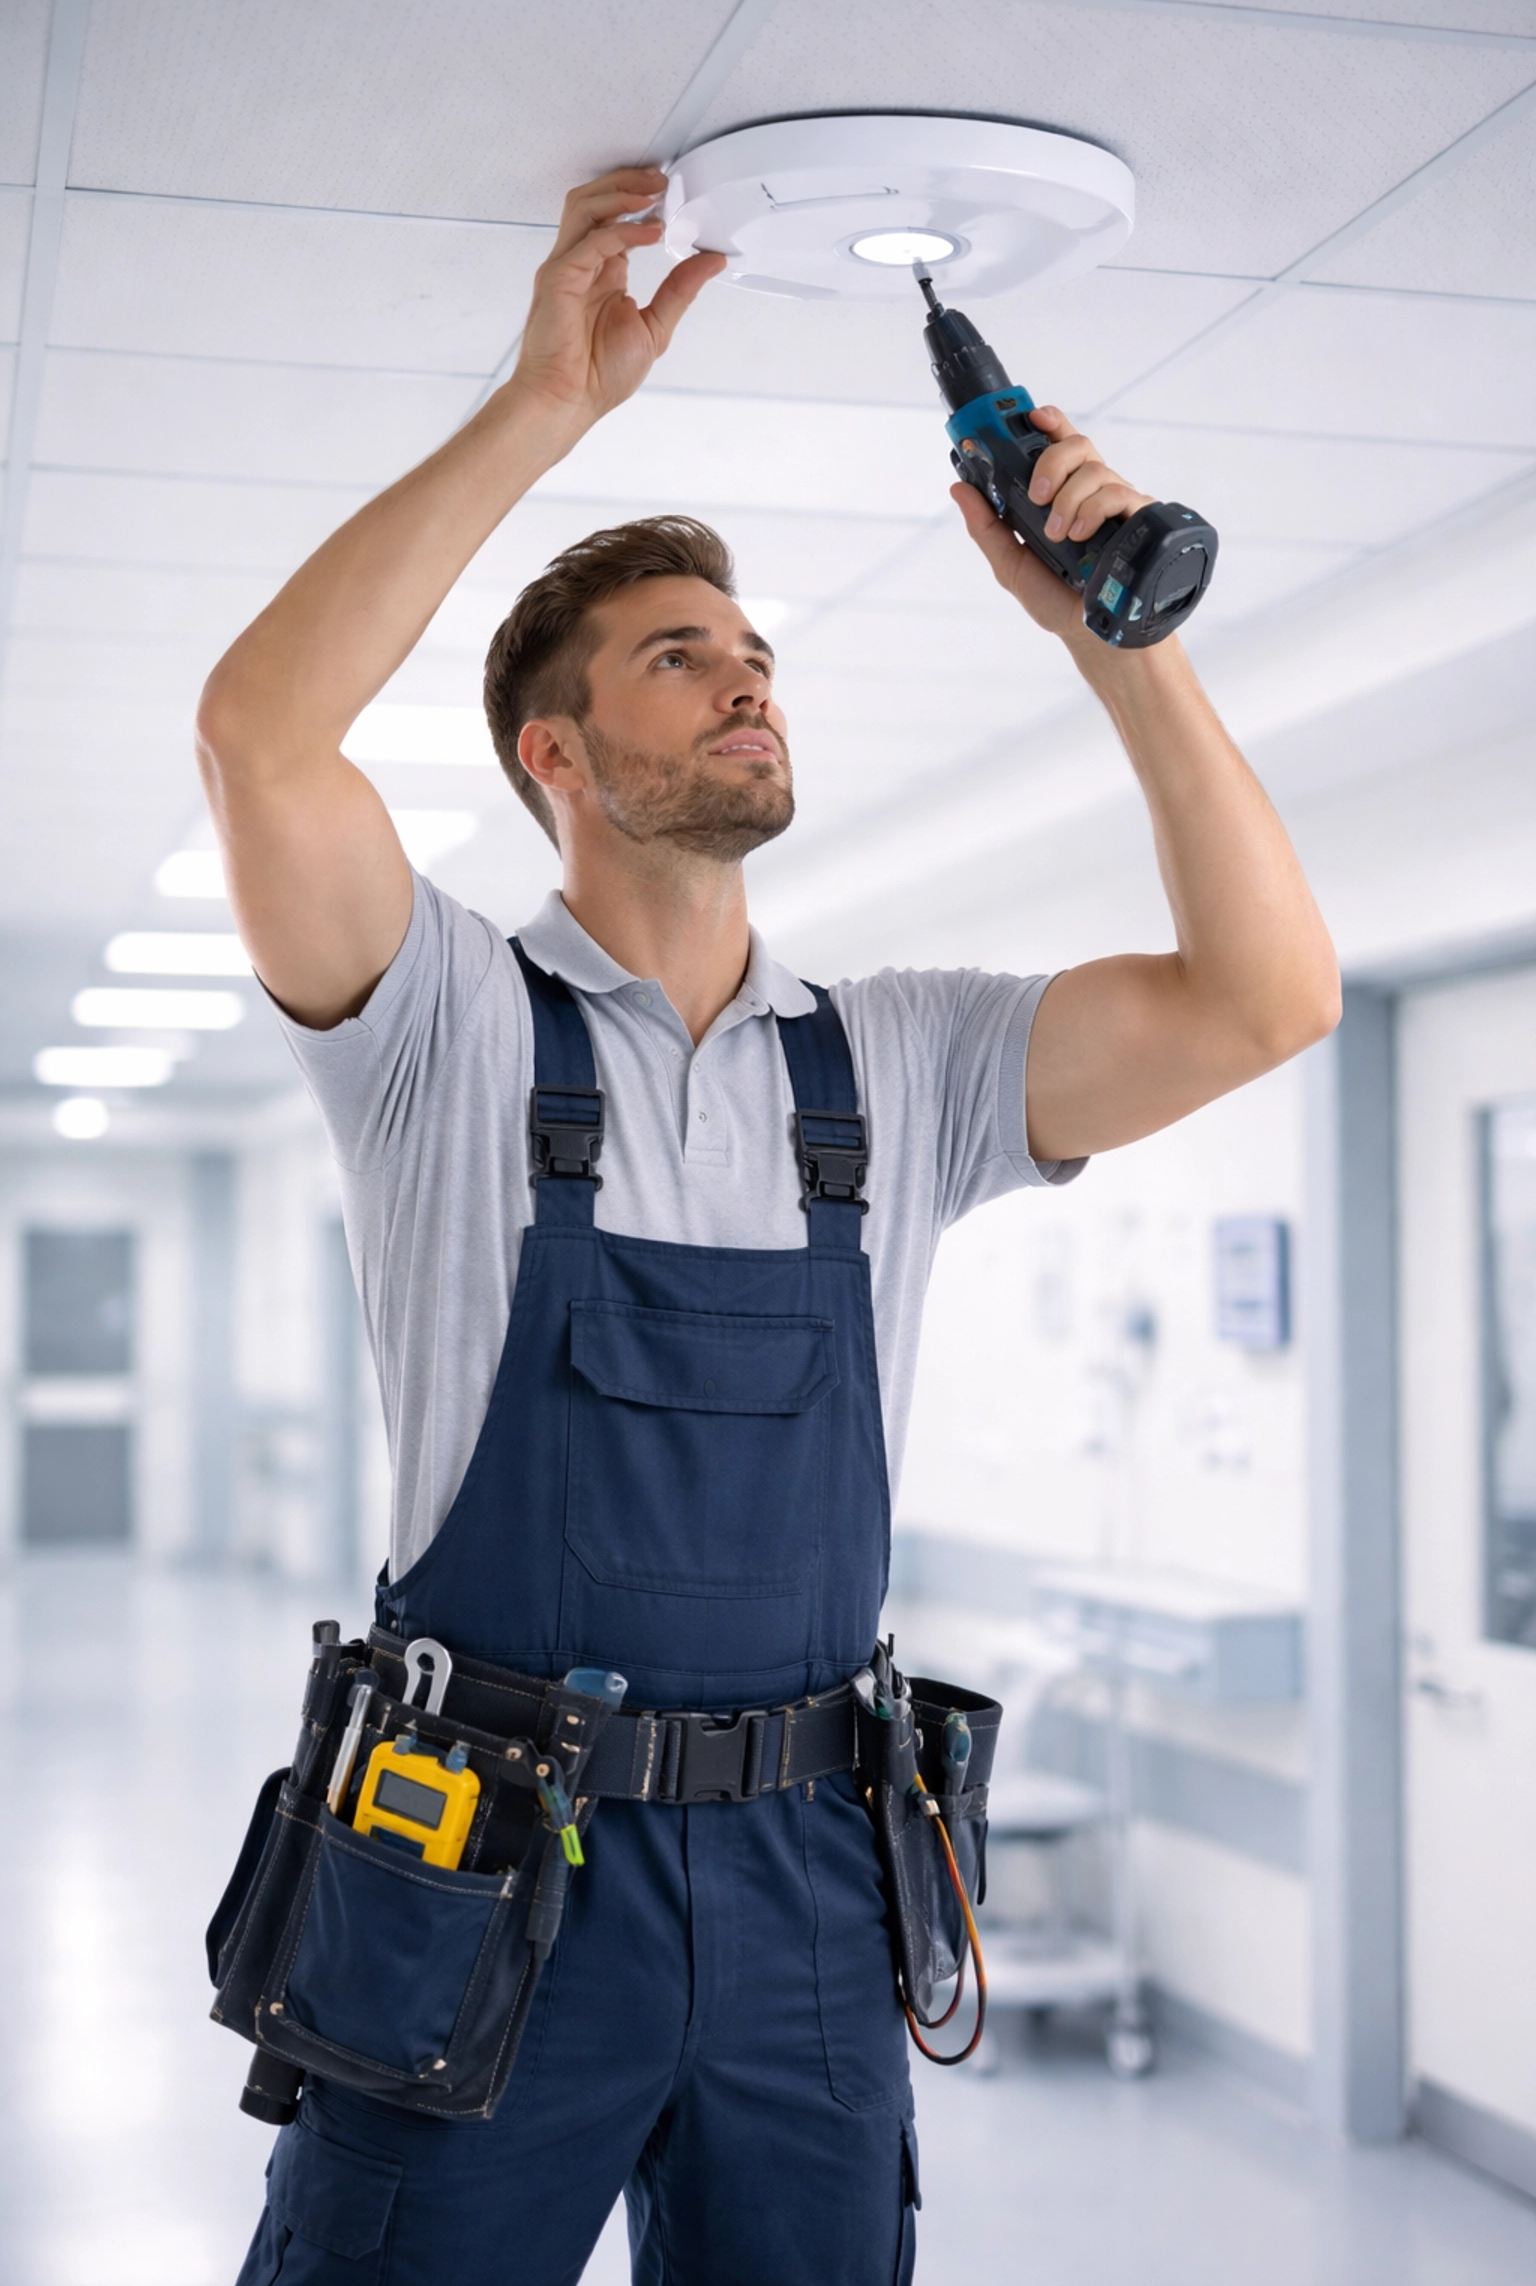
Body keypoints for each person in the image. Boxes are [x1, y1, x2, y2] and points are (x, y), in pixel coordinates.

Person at [200, 168, 1339, 2286]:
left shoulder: (894, 1068)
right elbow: (261, 737)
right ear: (555, 751)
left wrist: (1124, 638)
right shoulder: (444, 1030)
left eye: (753, 654)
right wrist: (544, 408)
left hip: (820, 1877)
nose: (745, 684)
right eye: (674, 659)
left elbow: (1267, 997)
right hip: (482, 1883)